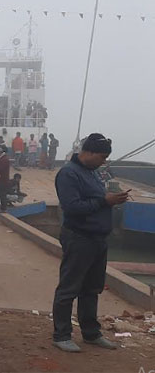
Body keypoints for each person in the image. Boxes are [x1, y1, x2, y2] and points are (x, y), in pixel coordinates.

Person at [51, 133, 129, 353]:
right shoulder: (68, 174)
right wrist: (104, 201)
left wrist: (110, 200)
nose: (104, 161)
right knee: (69, 288)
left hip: (97, 239)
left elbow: (94, 200)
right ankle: (62, 334)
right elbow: (73, 207)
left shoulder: (92, 173)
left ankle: (91, 333)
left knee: (91, 289)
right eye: (102, 156)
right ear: (90, 152)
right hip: (79, 237)